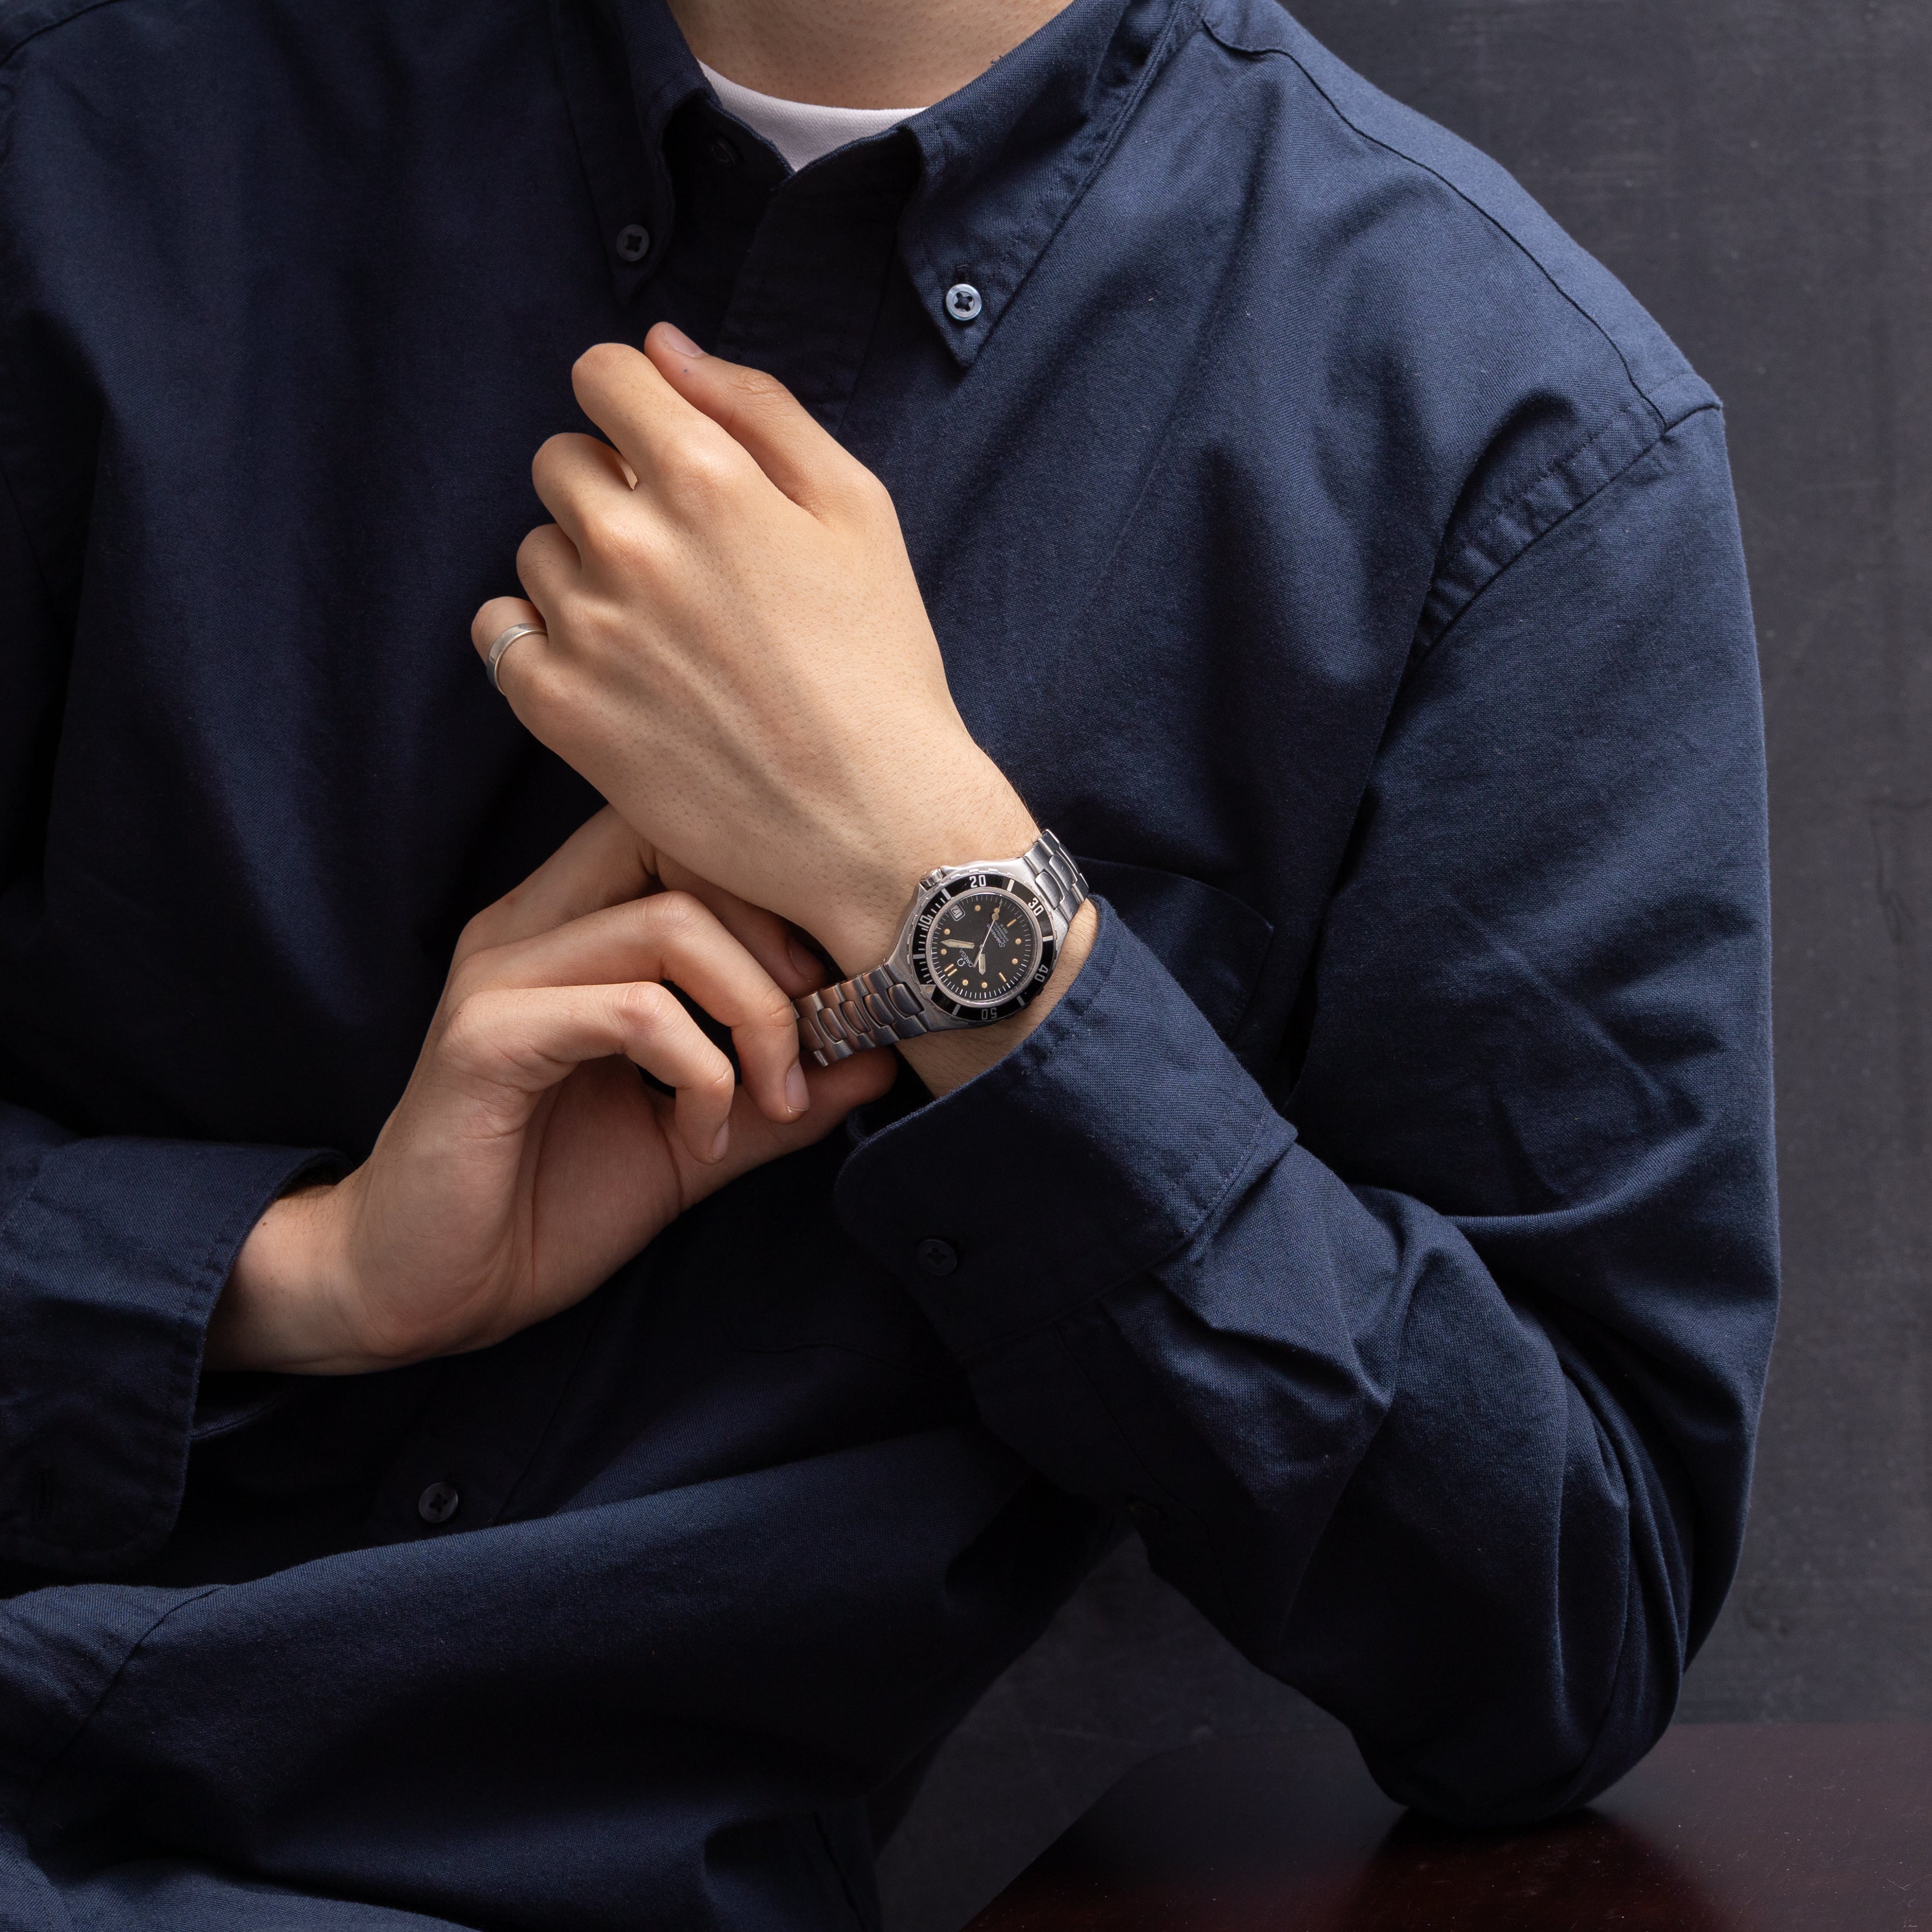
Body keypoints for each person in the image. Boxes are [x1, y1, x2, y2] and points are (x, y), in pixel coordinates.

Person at [0, 0, 1777, 1923]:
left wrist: (964, 917)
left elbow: (1558, 1633)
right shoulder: (69, 143)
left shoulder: (1505, 440)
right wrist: (301, 1275)